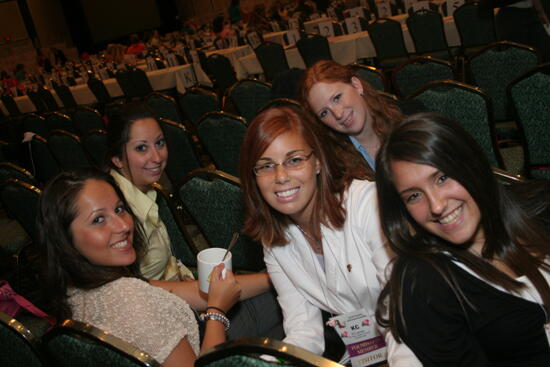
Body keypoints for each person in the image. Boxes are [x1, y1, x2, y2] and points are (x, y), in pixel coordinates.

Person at [239, 105, 421, 365]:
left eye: (294, 160)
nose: (280, 176)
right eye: (266, 166)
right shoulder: (274, 241)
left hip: (419, 339)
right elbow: (304, 330)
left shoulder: (367, 206)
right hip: (366, 351)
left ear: (317, 162)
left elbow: (404, 315)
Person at [38, 169, 265, 366]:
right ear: (65, 239)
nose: (123, 225)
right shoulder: (135, 303)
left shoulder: (77, 284)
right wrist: (216, 312)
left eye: (119, 209)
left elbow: (173, 291)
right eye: (98, 219)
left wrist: (271, 277)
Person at [375, 112, 550, 366]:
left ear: (470, 164)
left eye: (442, 178)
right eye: (414, 196)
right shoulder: (425, 284)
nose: (436, 206)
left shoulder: (538, 207)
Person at [104, 104, 283, 339]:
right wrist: (276, 277)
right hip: (174, 326)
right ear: (117, 158)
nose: (157, 157)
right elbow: (148, 292)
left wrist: (180, 272)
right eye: (141, 148)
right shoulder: (122, 215)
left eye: (159, 143)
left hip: (177, 301)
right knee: (286, 294)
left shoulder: (141, 193)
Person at [299, 60, 404, 173]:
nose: (338, 114)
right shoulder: (333, 164)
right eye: (324, 113)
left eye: (337, 98)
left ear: (356, 85)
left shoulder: (408, 119)